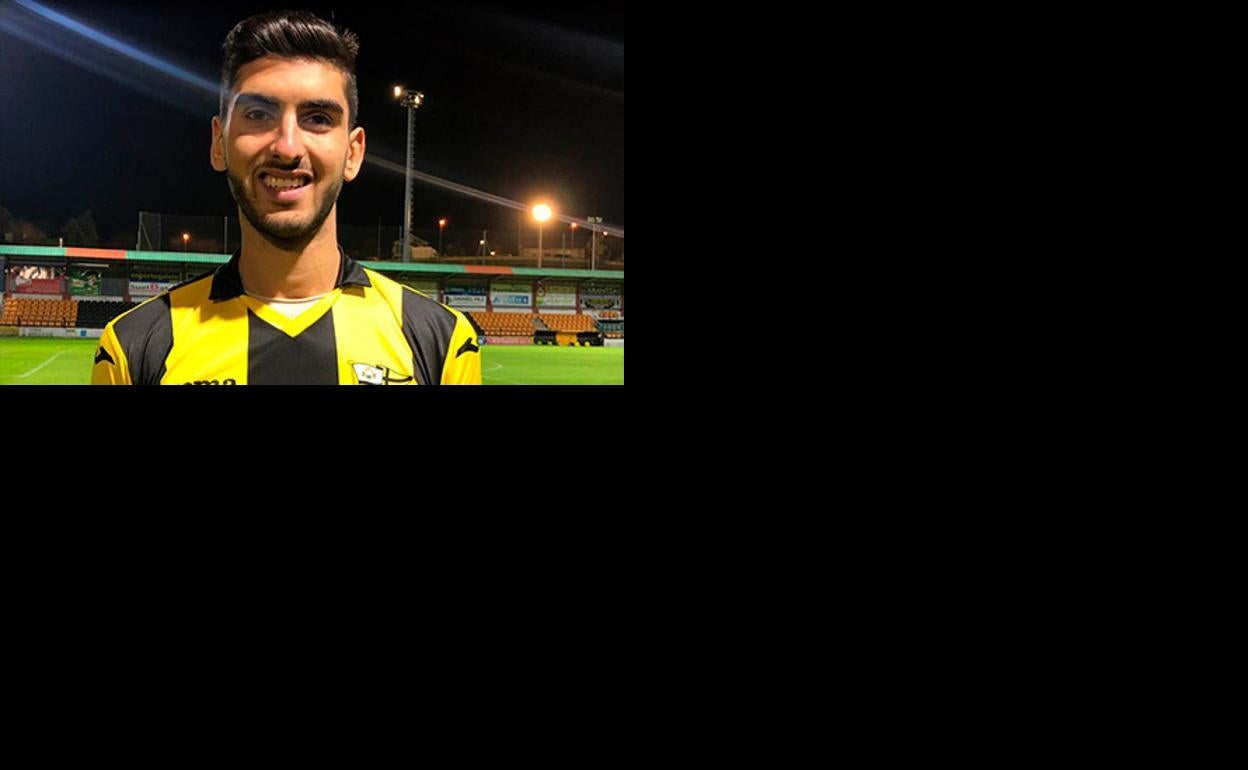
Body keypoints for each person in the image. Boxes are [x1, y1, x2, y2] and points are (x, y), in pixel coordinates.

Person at [92, 10, 481, 385]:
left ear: (353, 152)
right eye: (258, 115)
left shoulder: (441, 342)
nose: (288, 147)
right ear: (219, 143)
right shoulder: (133, 348)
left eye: (318, 119)